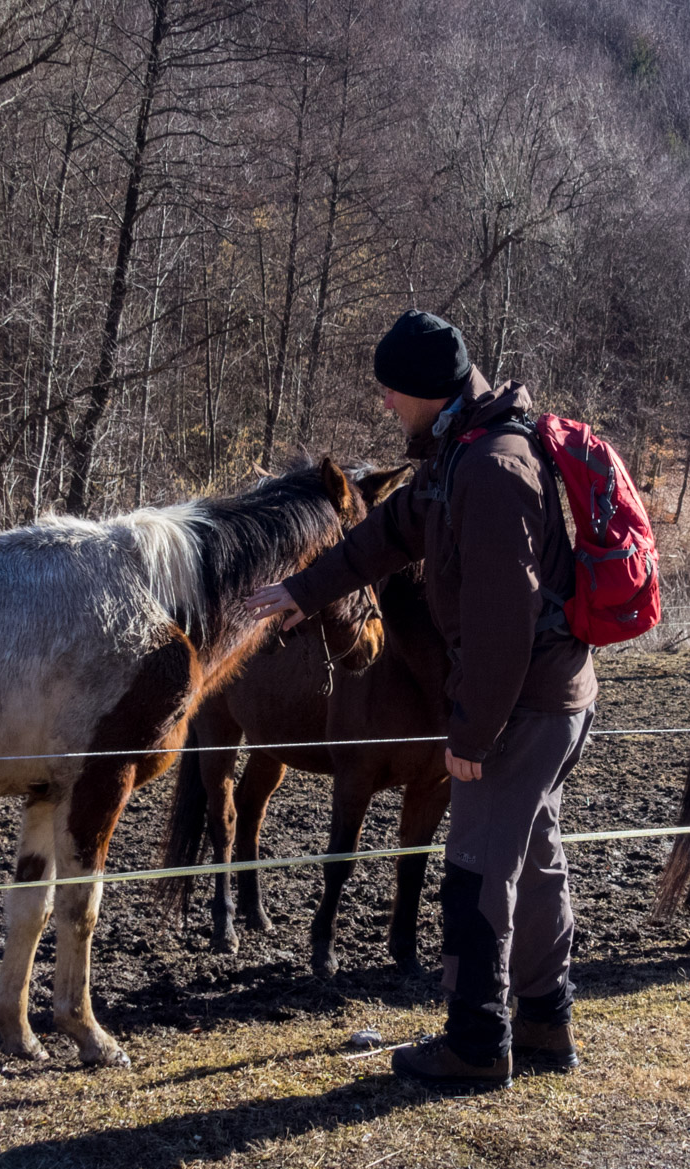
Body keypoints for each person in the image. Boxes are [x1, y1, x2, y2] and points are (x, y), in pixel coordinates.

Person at [246, 310, 594, 1090]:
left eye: (391, 391)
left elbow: (504, 626)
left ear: (431, 392)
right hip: (538, 698)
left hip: (525, 705)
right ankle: (545, 1021)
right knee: (533, 861)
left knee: (474, 868)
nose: (384, 405)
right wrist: (301, 590)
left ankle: (476, 1044)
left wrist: (470, 735)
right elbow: (386, 535)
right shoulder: (456, 453)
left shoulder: (493, 470)